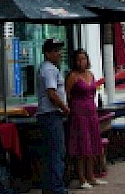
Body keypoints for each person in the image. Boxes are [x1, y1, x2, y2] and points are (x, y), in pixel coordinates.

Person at [65, 49, 106, 189]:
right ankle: (82, 178)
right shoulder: (73, 76)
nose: (81, 62)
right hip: (78, 114)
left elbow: (93, 92)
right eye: (78, 59)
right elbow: (67, 94)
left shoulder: (91, 75)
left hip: (91, 113)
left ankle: (91, 176)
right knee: (82, 146)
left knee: (92, 145)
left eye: (83, 59)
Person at [36, 39, 71, 194]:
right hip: (51, 115)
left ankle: (50, 186)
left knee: (52, 152)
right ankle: (56, 188)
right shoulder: (50, 70)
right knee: (56, 152)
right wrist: (64, 108)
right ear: (47, 53)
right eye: (55, 51)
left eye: (59, 50)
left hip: (49, 115)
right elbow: (52, 93)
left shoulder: (47, 68)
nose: (59, 54)